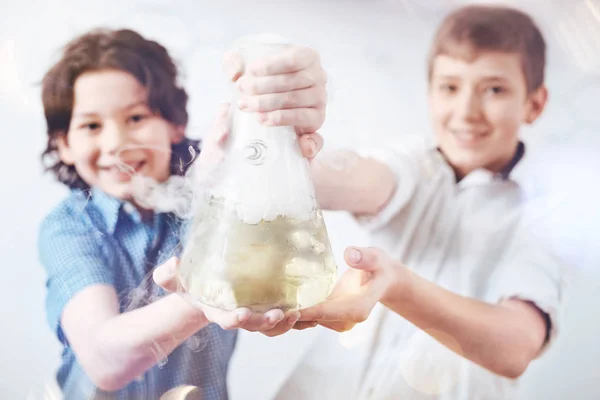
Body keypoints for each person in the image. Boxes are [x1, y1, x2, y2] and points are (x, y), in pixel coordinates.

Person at [157, 4, 569, 400]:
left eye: (494, 89)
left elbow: (516, 347)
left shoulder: (547, 211)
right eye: (449, 87)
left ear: (535, 103)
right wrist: (279, 140)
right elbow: (356, 181)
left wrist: (398, 286)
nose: (466, 110)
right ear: (429, 94)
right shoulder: (412, 163)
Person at [38, 28, 327, 399]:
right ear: (63, 144)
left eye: (136, 117)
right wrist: (206, 295)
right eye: (91, 126)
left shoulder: (217, 192)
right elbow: (103, 358)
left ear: (174, 123)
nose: (116, 144)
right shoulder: (69, 228)